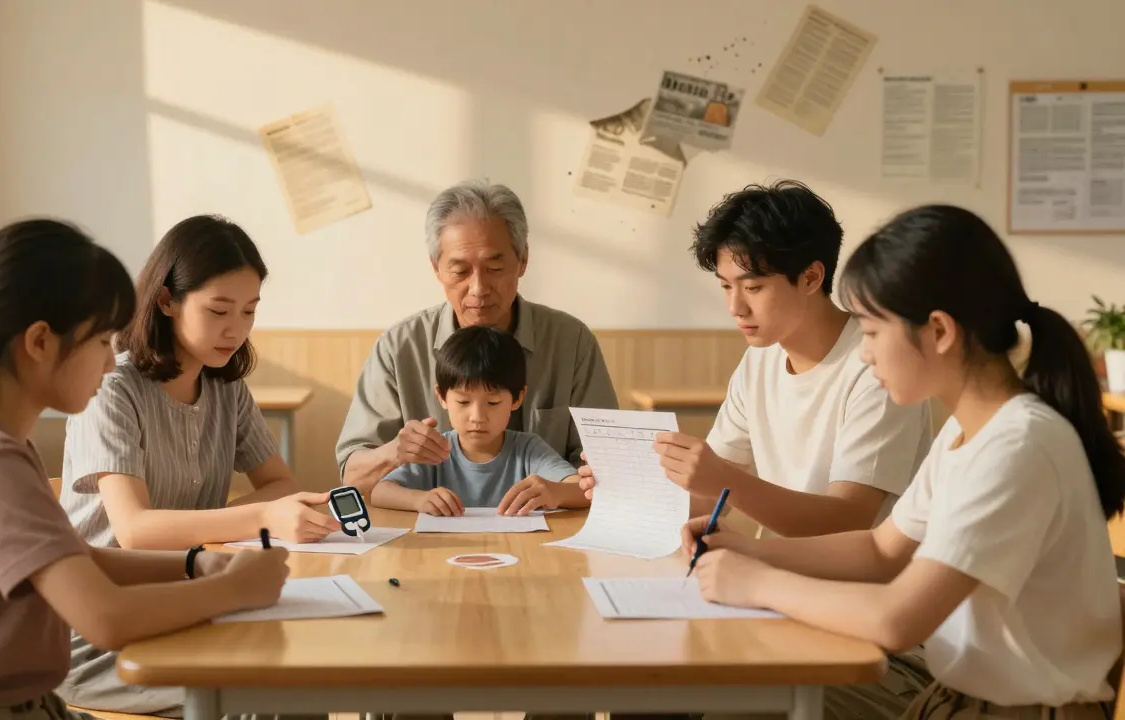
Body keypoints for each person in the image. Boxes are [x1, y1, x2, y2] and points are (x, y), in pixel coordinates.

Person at [689, 204, 1125, 718]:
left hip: (1014, 710)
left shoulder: (1017, 445)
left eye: (873, 333)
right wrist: (747, 553)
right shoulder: (971, 432)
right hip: (961, 696)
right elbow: (880, 550)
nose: (866, 354)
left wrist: (757, 582)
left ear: (938, 332)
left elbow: (898, 621)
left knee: (737, 699)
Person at [0, 219, 289, 720]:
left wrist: (197, 564)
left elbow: (79, 556)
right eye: (102, 342)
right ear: (40, 342)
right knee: (273, 695)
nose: (111, 364)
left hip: (16, 706)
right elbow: (105, 620)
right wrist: (234, 589)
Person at [581, 181, 935, 719]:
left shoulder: (879, 366)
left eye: (753, 286)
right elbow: (705, 495)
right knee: (642, 680)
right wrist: (616, 488)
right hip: (782, 601)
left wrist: (727, 485)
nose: (734, 306)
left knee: (692, 694)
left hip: (871, 631)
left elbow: (849, 522)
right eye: (725, 286)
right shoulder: (760, 361)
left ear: (812, 277)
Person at [57, 215, 337, 717]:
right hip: (101, 626)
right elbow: (136, 531)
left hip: (193, 599)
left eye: (249, 311)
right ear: (166, 301)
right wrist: (259, 517)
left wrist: (255, 515)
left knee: (304, 671)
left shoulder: (226, 386)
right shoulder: (114, 389)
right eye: (219, 310)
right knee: (274, 689)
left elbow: (279, 483)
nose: (236, 328)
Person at [336, 179, 618, 494]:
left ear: (523, 260)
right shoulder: (399, 348)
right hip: (430, 531)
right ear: (436, 269)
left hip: (552, 527)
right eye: (459, 271)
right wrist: (393, 454)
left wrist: (566, 488)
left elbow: (611, 466)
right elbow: (352, 475)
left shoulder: (571, 342)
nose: (478, 289)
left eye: (495, 268)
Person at [370, 325, 588, 516]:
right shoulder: (435, 452)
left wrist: (555, 492)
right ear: (442, 397)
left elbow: (584, 491)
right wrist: (418, 500)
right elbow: (380, 492)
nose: (477, 417)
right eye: (463, 402)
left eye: (492, 403)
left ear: (518, 398)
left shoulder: (529, 449)